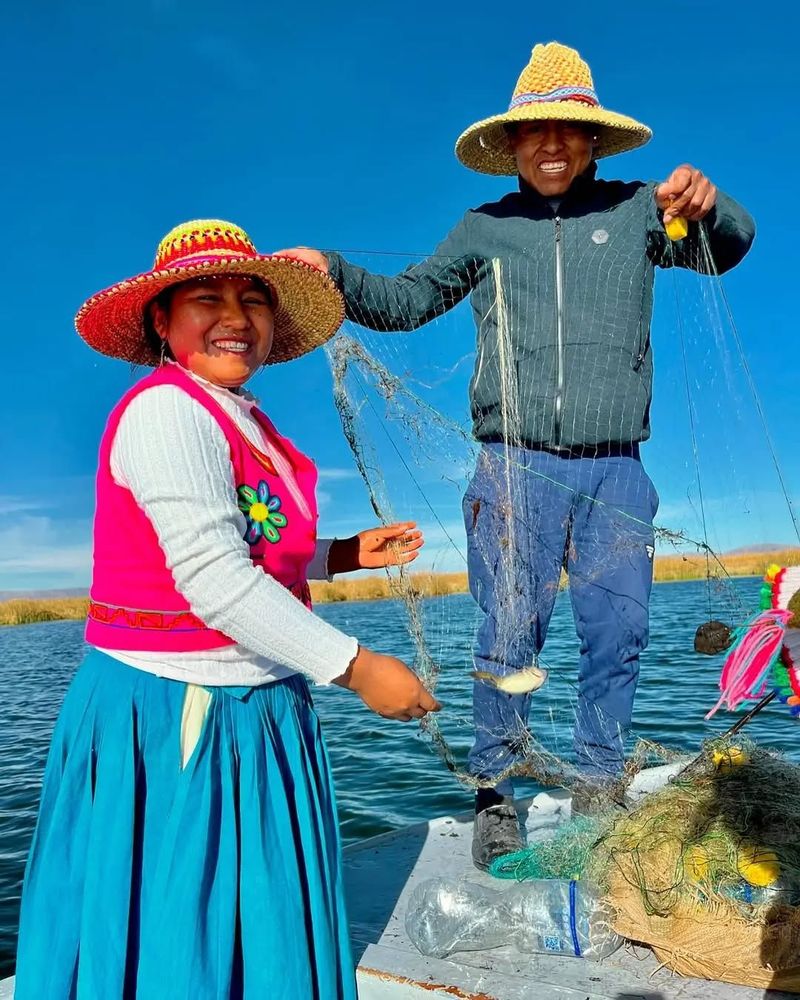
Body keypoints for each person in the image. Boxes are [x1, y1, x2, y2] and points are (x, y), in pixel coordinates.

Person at [279, 42, 755, 869]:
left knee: (620, 637)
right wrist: (337, 271)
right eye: (536, 133)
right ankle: (495, 790)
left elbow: (732, 247)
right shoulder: (485, 229)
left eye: (569, 132)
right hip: (511, 468)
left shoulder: (643, 210)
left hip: (616, 471)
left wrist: (712, 205)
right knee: (507, 638)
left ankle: (600, 786)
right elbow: (406, 301)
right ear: (513, 145)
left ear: (593, 140)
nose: (552, 147)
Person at [13, 219, 440, 998]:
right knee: (188, 924)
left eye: (253, 301)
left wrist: (342, 554)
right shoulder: (167, 412)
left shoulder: (239, 417)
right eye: (206, 297)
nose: (235, 317)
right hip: (178, 709)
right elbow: (211, 575)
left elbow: (245, 538)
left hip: (256, 700)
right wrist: (359, 666)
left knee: (249, 920)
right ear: (161, 321)